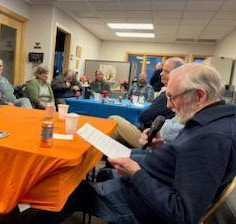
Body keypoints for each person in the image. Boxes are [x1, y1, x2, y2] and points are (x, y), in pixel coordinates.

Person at [28, 63, 236, 224]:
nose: (168, 105)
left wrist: (136, 174)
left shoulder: (211, 139)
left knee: (69, 192)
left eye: (172, 97)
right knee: (100, 174)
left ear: (199, 95)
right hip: (148, 186)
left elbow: (182, 215)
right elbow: (184, 163)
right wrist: (160, 148)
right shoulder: (213, 122)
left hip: (143, 206)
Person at [109, 57, 185, 147]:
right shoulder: (169, 94)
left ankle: (107, 157)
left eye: (166, 71)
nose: (161, 73)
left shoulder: (167, 95)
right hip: (152, 133)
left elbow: (144, 117)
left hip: (150, 139)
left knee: (114, 119)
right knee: (115, 134)